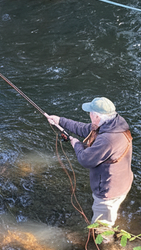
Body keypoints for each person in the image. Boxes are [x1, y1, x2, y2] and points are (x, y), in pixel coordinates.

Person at [47, 97, 133, 232]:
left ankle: (104, 247)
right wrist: (59, 120)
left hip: (109, 190)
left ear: (97, 116)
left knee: (100, 227)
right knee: (110, 214)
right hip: (122, 182)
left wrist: (76, 144)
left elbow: (85, 159)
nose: (89, 115)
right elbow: (84, 129)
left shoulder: (107, 139)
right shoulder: (114, 124)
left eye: (90, 113)